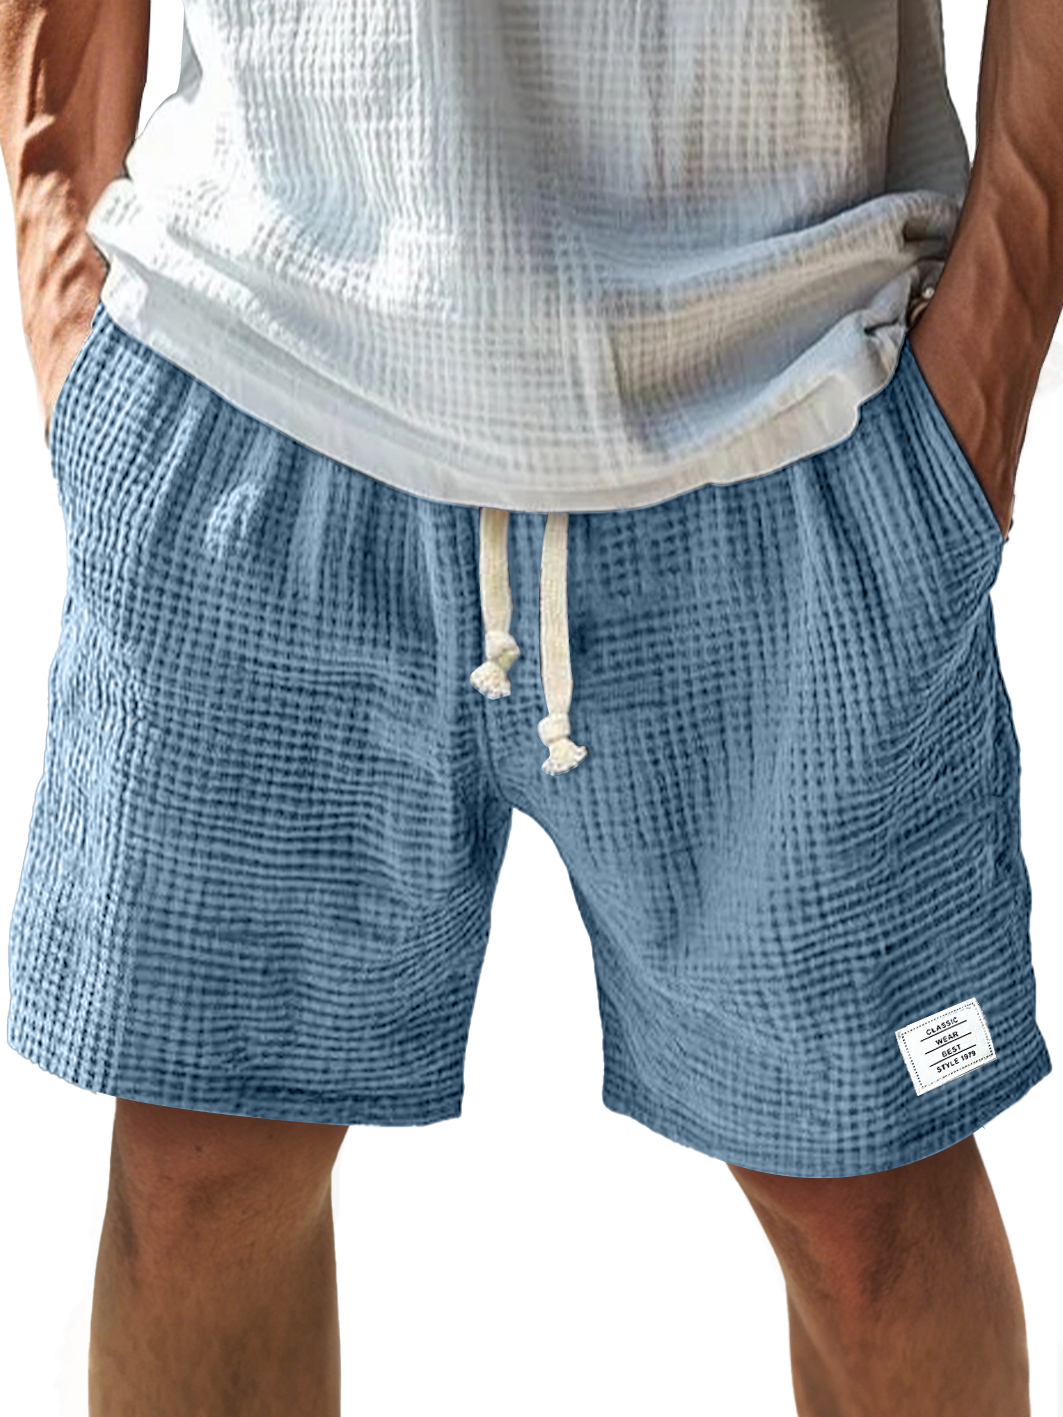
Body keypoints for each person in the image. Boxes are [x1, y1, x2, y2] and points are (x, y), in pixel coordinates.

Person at [1, 1, 1057, 1412]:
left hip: (795, 387)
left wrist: (993, 348)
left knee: (870, 1204)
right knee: (198, 1176)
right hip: (257, 368)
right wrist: (62, 249)